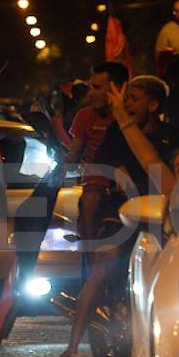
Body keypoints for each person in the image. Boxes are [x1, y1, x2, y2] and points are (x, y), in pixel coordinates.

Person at [59, 75, 179, 357]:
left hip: (161, 215)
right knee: (103, 267)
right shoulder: (117, 132)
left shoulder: (174, 137)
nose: (127, 105)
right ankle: (72, 349)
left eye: (134, 99)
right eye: (125, 99)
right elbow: (108, 165)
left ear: (153, 105)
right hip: (122, 211)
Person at [62, 62, 126, 250]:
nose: (91, 93)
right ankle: (89, 255)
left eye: (97, 87)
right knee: (90, 202)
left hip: (127, 183)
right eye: (91, 87)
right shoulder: (85, 115)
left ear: (116, 88)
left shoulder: (129, 116)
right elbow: (73, 154)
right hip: (96, 183)